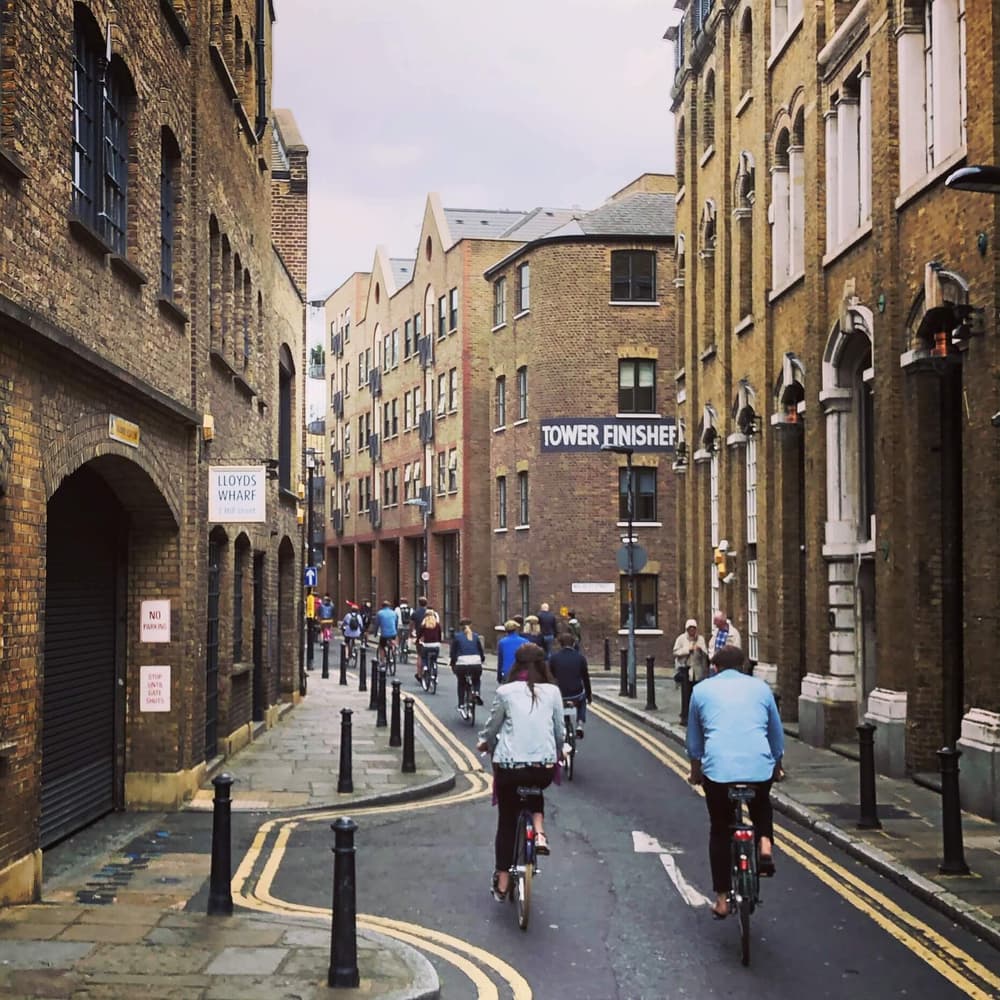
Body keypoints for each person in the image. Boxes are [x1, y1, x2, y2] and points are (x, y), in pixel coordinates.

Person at [686, 644, 784, 919]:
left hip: (718, 771)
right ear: (744, 666)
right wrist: (776, 767)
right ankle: (764, 843)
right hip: (758, 765)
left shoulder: (701, 690)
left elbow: (695, 743)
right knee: (761, 805)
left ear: (714, 668)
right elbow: (775, 736)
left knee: (720, 829)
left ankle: (721, 900)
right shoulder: (761, 688)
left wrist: (696, 772)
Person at [477, 643, 564, 901]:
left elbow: (492, 727)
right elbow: (558, 731)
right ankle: (539, 833)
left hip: (510, 769)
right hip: (542, 769)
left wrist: (484, 741)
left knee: (507, 819)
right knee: (534, 785)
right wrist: (557, 753)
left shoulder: (505, 692)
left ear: (516, 666)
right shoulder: (553, 692)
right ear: (542, 665)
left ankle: (502, 882)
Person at [549, 631, 592, 738]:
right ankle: (580, 724)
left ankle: (558, 725)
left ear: (560, 644)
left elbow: (549, 677)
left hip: (560, 694)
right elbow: (585, 678)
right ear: (573, 644)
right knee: (582, 701)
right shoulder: (580, 658)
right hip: (576, 694)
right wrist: (589, 696)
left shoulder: (554, 658)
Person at [450, 617, 486, 716]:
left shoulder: (457, 637)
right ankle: (477, 693)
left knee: (461, 683)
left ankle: (461, 704)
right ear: (471, 626)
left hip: (462, 663)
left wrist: (452, 663)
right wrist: (482, 660)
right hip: (476, 662)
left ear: (460, 627)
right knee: (476, 679)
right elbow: (481, 651)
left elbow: (453, 653)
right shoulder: (475, 636)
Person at [673, 618, 709, 682]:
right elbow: (675, 652)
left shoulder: (701, 639)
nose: (692, 630)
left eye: (694, 628)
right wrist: (687, 650)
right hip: (685, 670)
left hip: (698, 672)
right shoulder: (681, 638)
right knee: (686, 689)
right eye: (690, 628)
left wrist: (700, 650)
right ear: (687, 629)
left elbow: (706, 654)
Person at [415, 608, 443, 685]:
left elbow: (419, 635)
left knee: (424, 657)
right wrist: (439, 642)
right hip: (436, 645)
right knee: (434, 661)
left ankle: (425, 667)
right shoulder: (437, 625)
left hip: (426, 645)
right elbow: (440, 636)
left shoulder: (424, 625)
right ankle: (435, 677)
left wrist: (417, 641)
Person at [374, 599, 398, 664]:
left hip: (384, 634)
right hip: (393, 633)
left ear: (382, 606)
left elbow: (377, 625)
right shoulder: (394, 613)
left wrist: (375, 633)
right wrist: (396, 632)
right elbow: (396, 623)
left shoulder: (379, 613)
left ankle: (382, 661)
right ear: (389, 606)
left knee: (381, 646)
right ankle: (393, 651)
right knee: (392, 641)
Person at [410, 596, 429, 676]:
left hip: (420, 637)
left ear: (419, 603)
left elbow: (411, 624)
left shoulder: (415, 613)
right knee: (428, 655)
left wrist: (411, 633)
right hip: (430, 638)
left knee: (420, 656)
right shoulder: (429, 613)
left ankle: (419, 674)